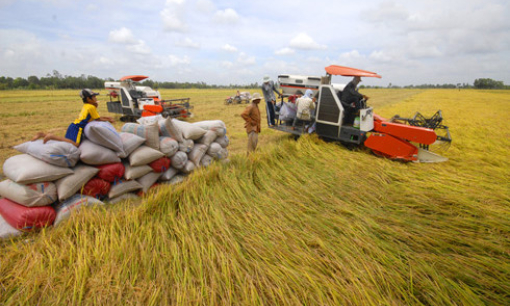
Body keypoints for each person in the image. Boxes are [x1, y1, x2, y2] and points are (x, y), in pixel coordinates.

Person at [32, 88, 115, 147]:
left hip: (73, 125)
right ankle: (50, 136)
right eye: (94, 97)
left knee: (67, 142)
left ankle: (43, 134)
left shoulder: (87, 106)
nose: (95, 98)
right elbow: (98, 119)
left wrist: (108, 118)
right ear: (88, 99)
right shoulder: (91, 107)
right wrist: (109, 120)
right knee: (76, 144)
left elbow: (96, 117)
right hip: (78, 128)